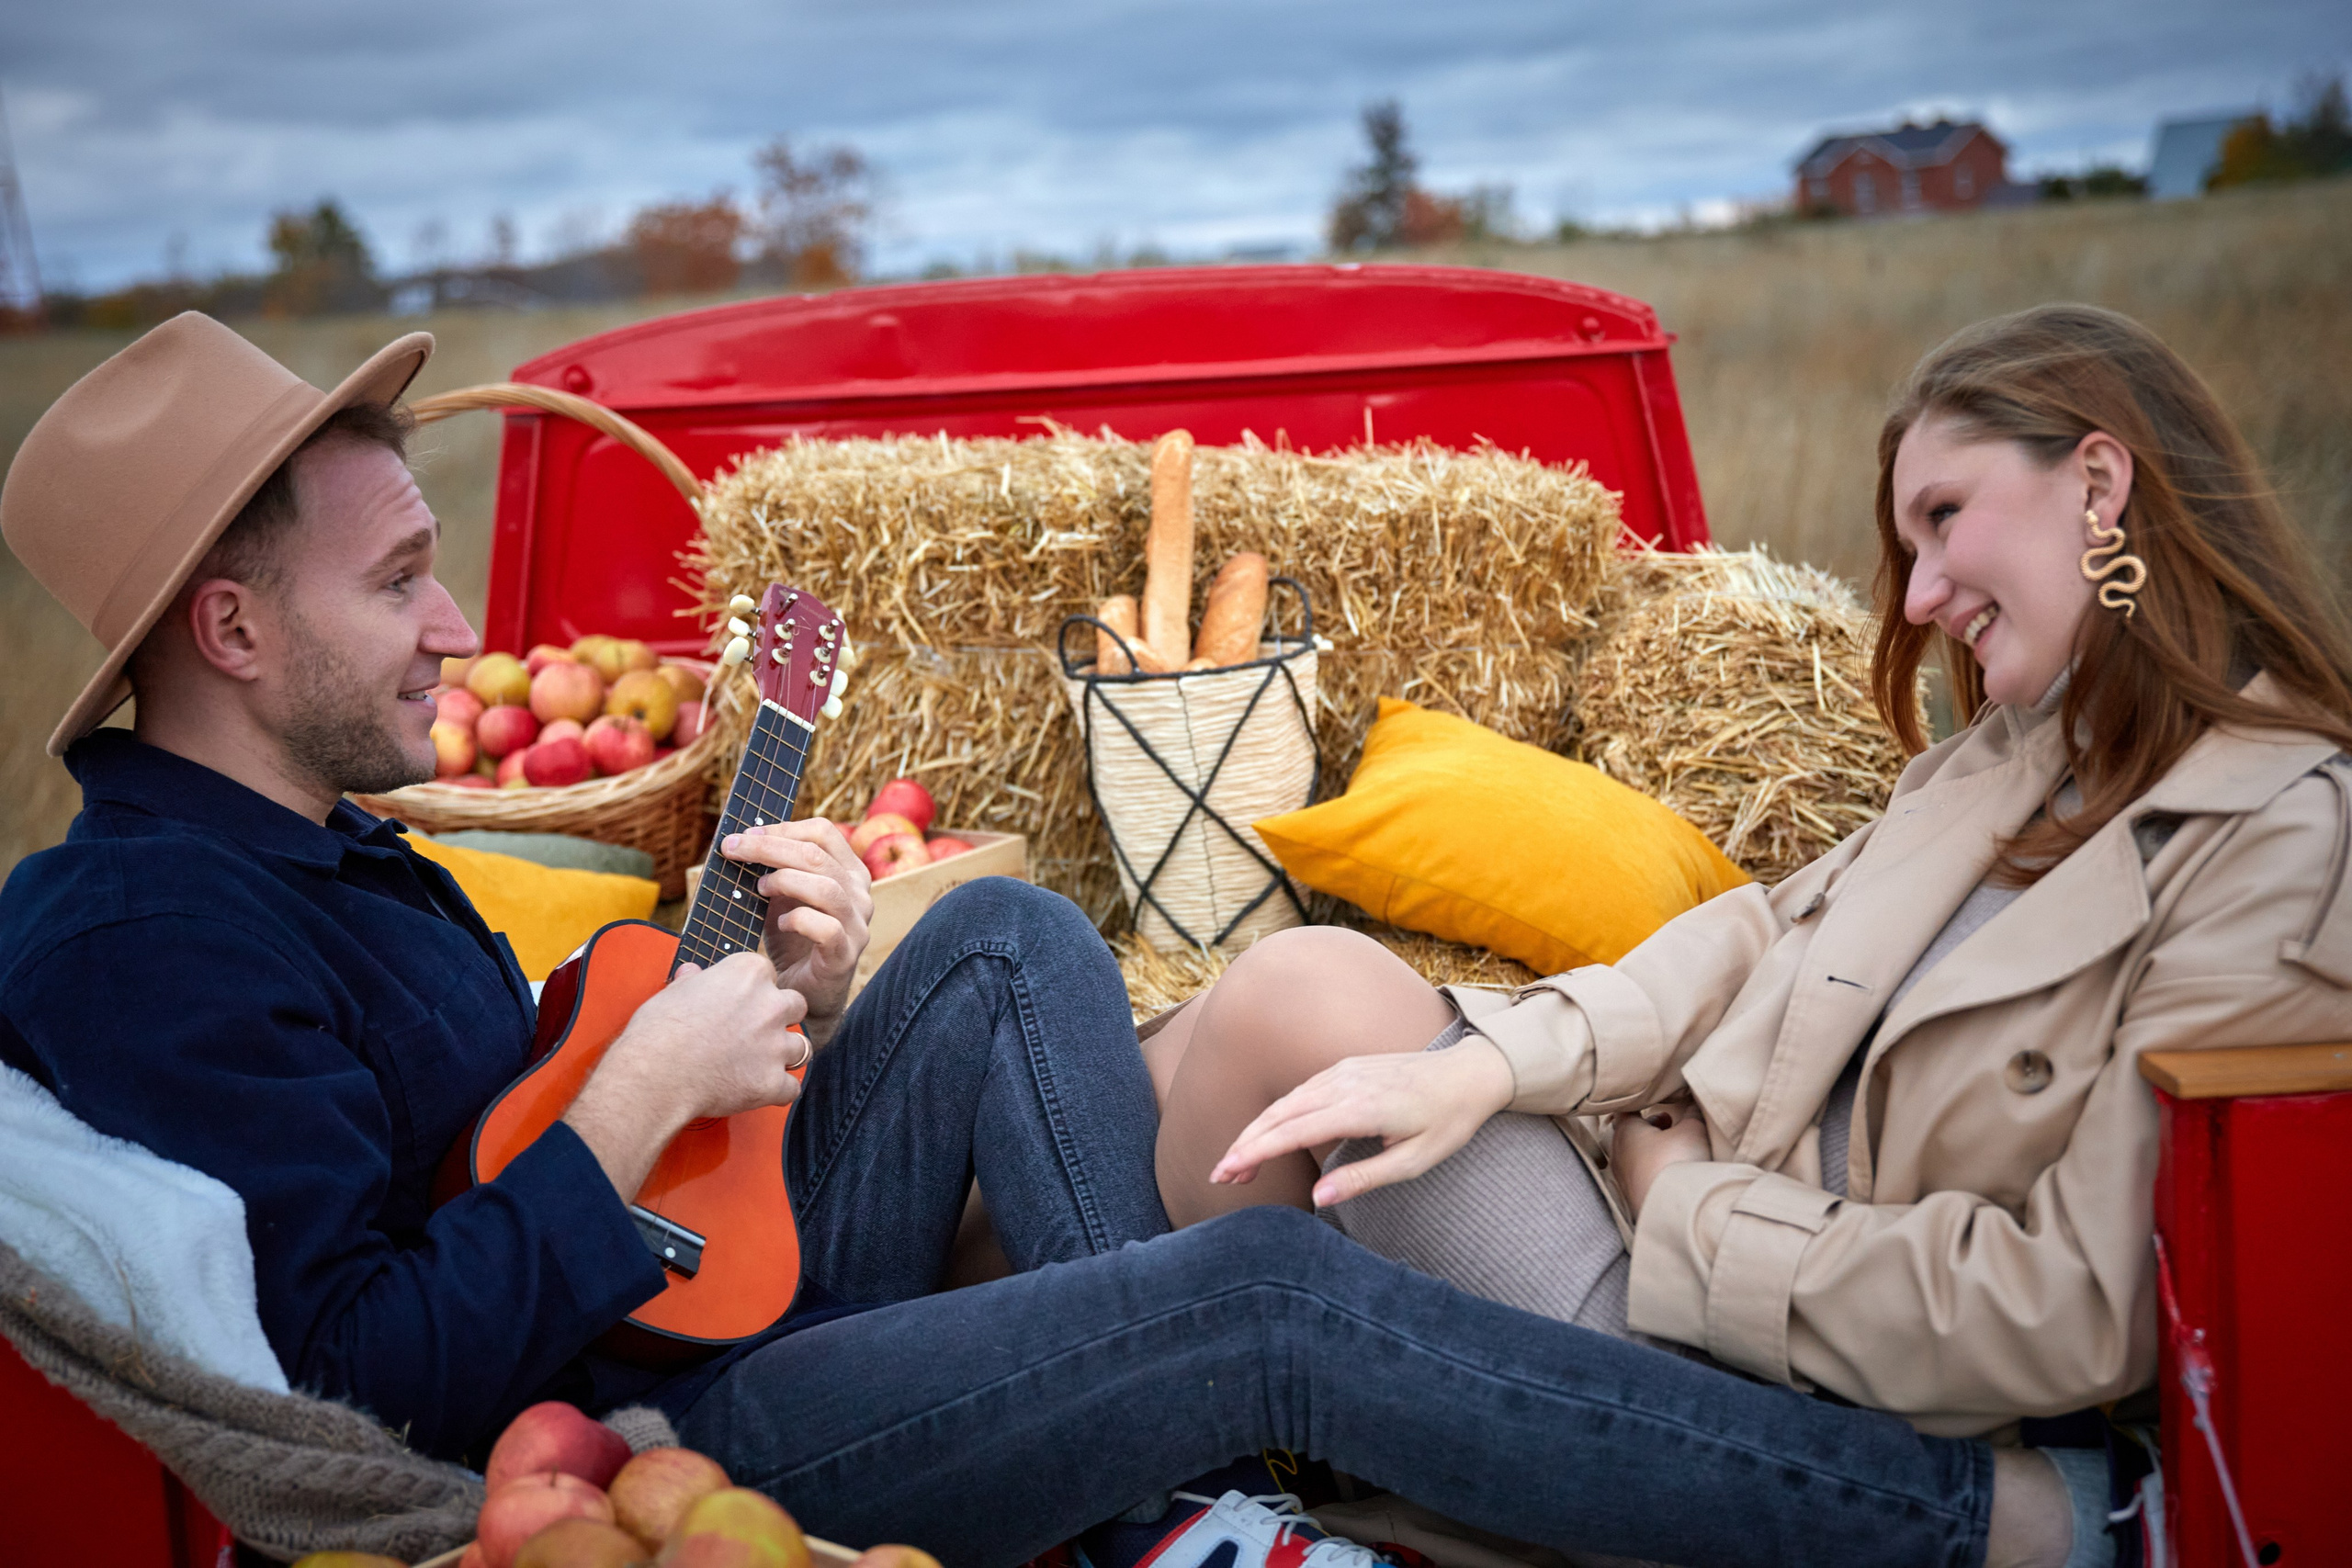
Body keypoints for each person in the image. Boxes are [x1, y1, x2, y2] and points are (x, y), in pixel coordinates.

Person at [0, 312, 2073, 1568]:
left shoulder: (327, 844)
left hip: (687, 1302)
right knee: (1259, 1290)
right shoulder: (143, 939)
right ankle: (1963, 1526)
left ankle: (1152, 1468)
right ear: (235, 628)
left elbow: (480, 1118)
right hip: (634, 1436)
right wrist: (637, 1097)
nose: (455, 628)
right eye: (400, 583)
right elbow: (359, 1381)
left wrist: (777, 1009)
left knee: (995, 931)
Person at [1144, 302, 2352, 1567]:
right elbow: (1739, 942)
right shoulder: (2013, 760)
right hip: (1672, 1223)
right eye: (1910, 544)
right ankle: (1174, 1463)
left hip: (1765, 1373)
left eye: (1945, 517)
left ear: (2100, 485)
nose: (1927, 595)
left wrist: (1683, 1213)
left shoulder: (2280, 836)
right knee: (1177, 1045)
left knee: (1301, 996)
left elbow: (2075, 1311)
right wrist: (1491, 1065)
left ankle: (1181, 1486)